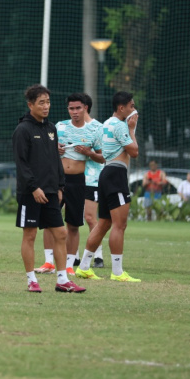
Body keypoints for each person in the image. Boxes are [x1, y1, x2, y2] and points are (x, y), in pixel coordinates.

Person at [13, 85, 86, 294]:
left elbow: (56, 160)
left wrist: (60, 186)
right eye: (41, 103)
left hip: (52, 192)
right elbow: (22, 164)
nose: (46, 107)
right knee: (30, 236)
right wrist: (34, 187)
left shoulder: (51, 129)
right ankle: (31, 280)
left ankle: (62, 280)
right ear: (30, 105)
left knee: (61, 234)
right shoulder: (22, 130)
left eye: (48, 102)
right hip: (31, 193)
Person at [75, 91, 141, 283]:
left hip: (105, 175)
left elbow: (104, 154)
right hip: (116, 175)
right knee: (120, 225)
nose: (133, 109)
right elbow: (134, 152)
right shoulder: (120, 126)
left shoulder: (106, 124)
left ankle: (84, 267)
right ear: (122, 108)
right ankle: (118, 272)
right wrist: (132, 129)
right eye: (131, 106)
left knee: (104, 223)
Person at [79, 93, 106, 269]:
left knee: (90, 217)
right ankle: (72, 256)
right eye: (71, 108)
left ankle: (98, 256)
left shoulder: (98, 128)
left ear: (85, 108)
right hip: (74, 179)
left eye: (77, 108)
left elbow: (104, 156)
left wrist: (89, 153)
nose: (73, 111)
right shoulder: (68, 127)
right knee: (73, 218)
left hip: (93, 179)